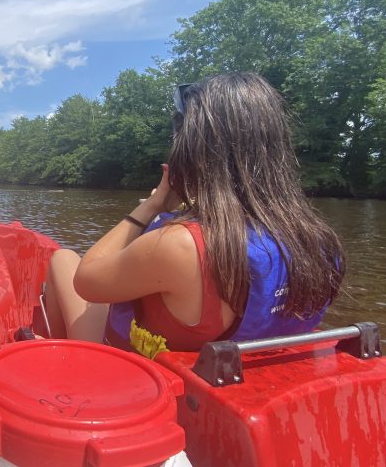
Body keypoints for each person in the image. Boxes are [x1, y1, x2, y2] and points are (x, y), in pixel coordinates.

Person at [43, 72, 346, 358]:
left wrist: (151, 207)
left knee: (63, 259)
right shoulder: (319, 241)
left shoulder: (180, 245)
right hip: (235, 370)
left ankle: (68, 370)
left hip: (144, 379)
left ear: (194, 150)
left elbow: (86, 281)